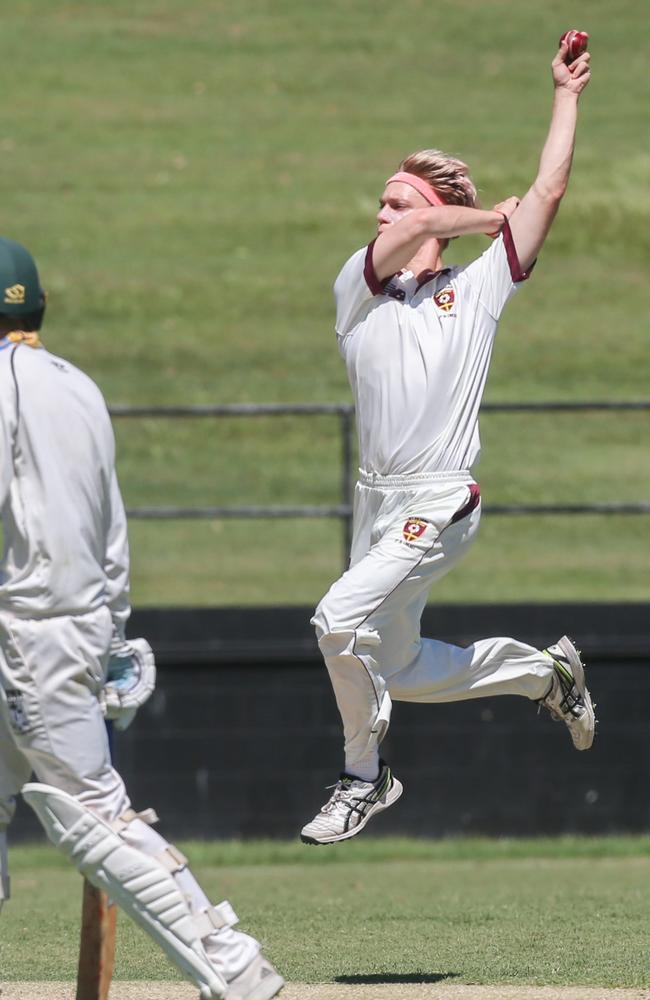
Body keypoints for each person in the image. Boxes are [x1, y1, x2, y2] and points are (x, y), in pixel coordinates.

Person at [301, 37, 595, 846]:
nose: (384, 216)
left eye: (396, 203)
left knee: (334, 621)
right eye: (383, 205)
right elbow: (435, 221)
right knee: (395, 668)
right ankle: (546, 672)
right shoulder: (353, 292)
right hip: (378, 503)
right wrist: (482, 214)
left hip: (441, 495)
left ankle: (365, 776)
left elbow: (550, 188)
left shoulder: (477, 288)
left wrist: (564, 94)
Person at [0, 237, 284, 1000]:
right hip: (74, 623)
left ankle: (233, 967)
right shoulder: (78, 386)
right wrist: (115, 635)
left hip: (25, 633)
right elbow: (110, 527)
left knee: (91, 817)